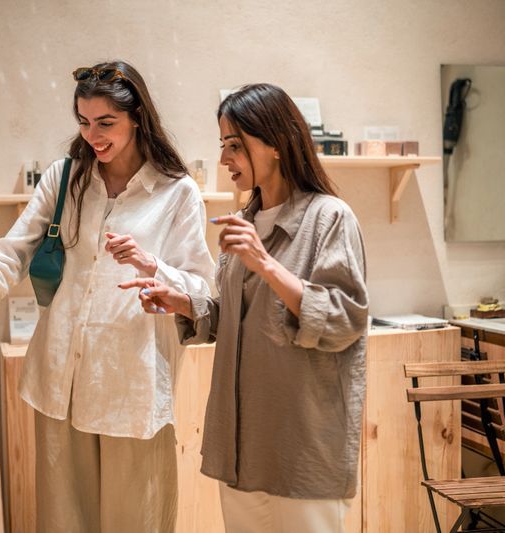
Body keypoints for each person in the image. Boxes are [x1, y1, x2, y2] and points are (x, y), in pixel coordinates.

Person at [0, 60, 214, 532]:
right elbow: (9, 253)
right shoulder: (66, 178)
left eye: (106, 123)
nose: (93, 136)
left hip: (133, 383)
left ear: (138, 118)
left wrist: (155, 269)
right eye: (84, 123)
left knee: (136, 521)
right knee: (64, 522)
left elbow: (201, 289)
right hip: (61, 377)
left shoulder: (177, 192)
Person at [120, 83, 368, 533]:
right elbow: (234, 316)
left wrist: (266, 264)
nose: (223, 160)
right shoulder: (245, 224)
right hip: (240, 443)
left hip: (303, 447)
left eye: (235, 146)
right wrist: (185, 303)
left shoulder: (330, 218)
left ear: (276, 143)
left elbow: (343, 321)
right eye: (223, 146)